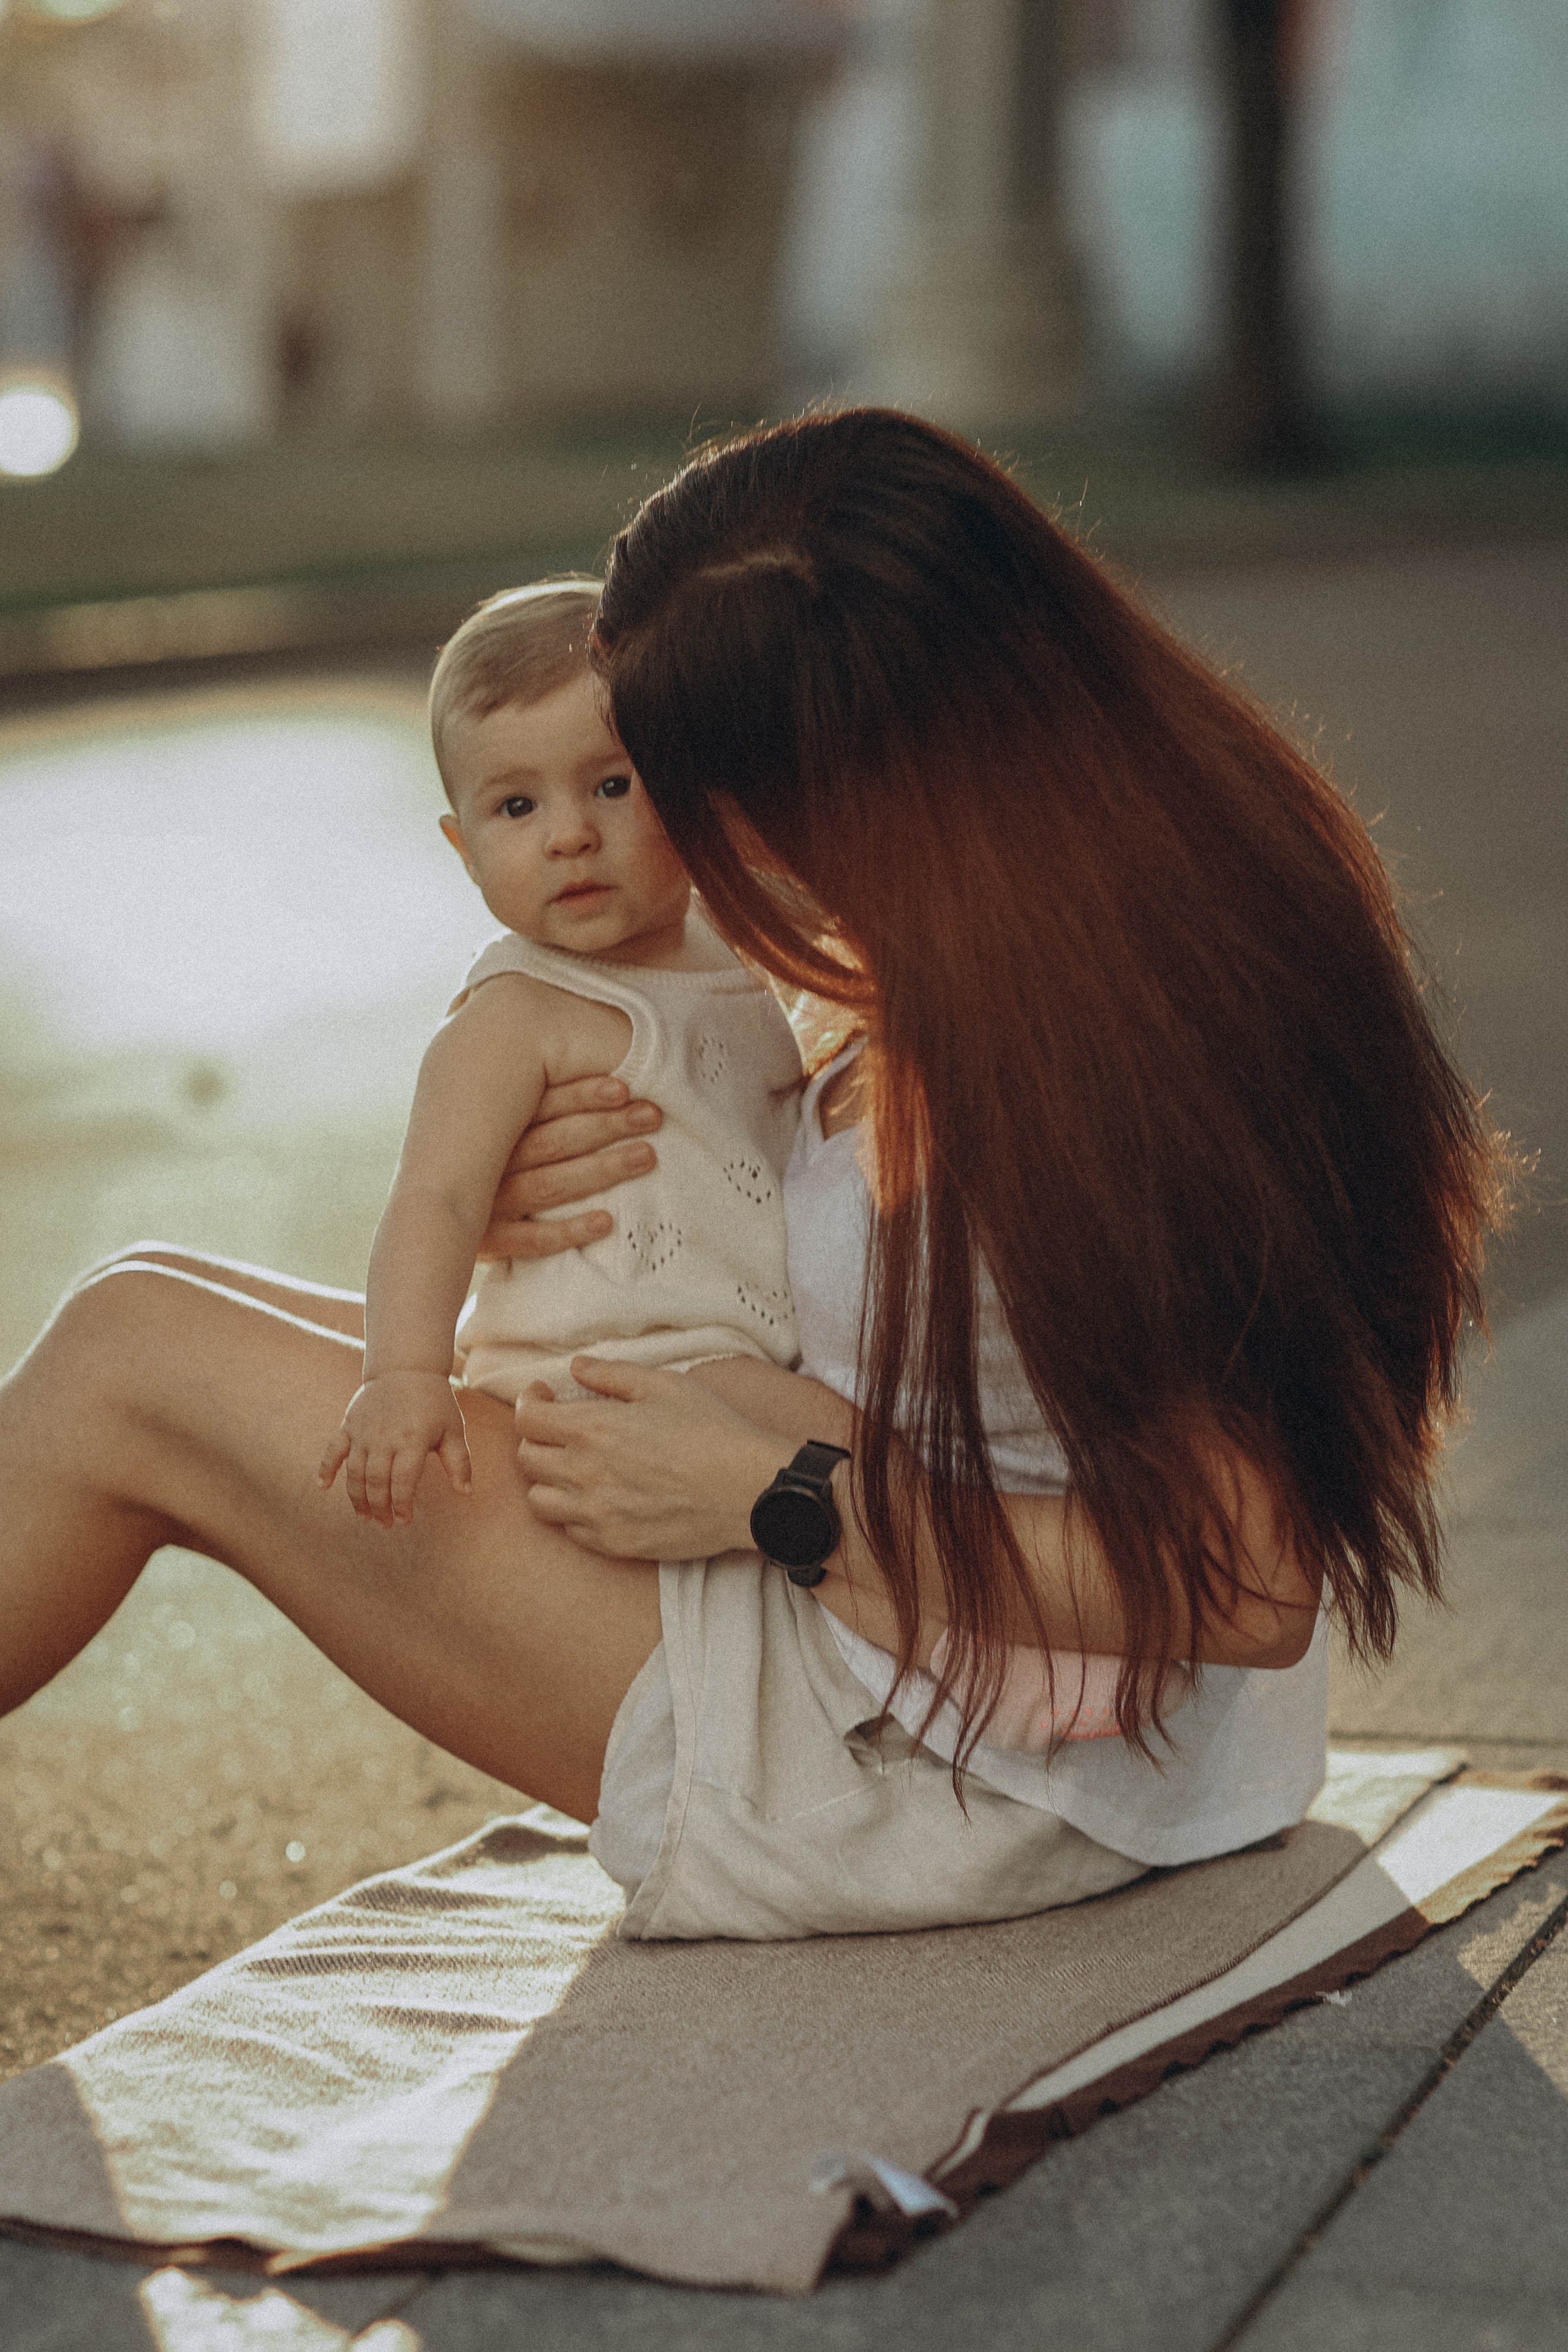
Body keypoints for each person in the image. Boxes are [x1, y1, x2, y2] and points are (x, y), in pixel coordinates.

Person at [0, 410, 1510, 1943]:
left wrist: (775, 1497)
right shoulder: (1029, 912)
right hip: (918, 1621)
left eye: (683, 786)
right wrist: (533, 1214)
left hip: (978, 1753)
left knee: (132, 1373)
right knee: (141, 1299)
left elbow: (1244, 1587)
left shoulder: (1128, 1037)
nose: (686, 844)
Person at [317, 578, 803, 1529]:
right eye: (515, 808)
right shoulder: (516, 1015)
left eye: (612, 786)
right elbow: (437, 1198)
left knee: (834, 1427)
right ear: (463, 850)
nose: (570, 835)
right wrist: (406, 1374)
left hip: (724, 1354)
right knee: (853, 1451)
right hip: (606, 1373)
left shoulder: (737, 943)